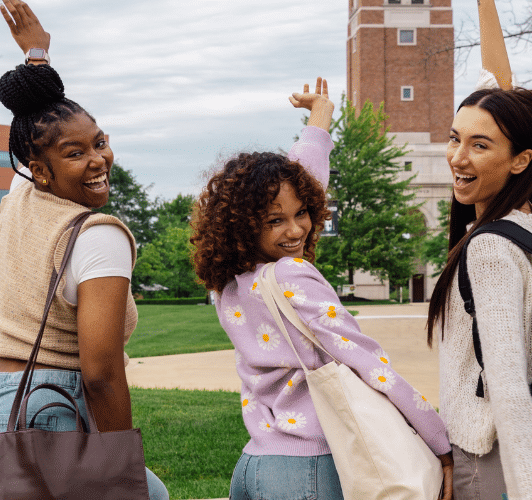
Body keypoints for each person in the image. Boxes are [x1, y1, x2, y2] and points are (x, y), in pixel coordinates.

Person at [190, 79, 455, 500]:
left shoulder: (228, 283)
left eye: (303, 213)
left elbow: (298, 184)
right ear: (245, 225)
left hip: (254, 465)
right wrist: (440, 442)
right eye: (275, 221)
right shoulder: (291, 276)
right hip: (307, 470)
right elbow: (370, 364)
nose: (296, 229)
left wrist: (320, 119)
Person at [0, 1, 167, 498]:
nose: (98, 160)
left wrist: (37, 57)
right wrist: (118, 469)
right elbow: (101, 371)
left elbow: (37, 130)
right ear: (42, 168)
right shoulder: (98, 236)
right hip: (51, 405)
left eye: (99, 142)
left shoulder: (21, 203)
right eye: (76, 153)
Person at [424, 87, 532, 500]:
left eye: (479, 145)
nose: (458, 157)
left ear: (522, 160)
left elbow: (509, 388)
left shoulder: (491, 249)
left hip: (498, 462)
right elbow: (504, 84)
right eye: (455, 138)